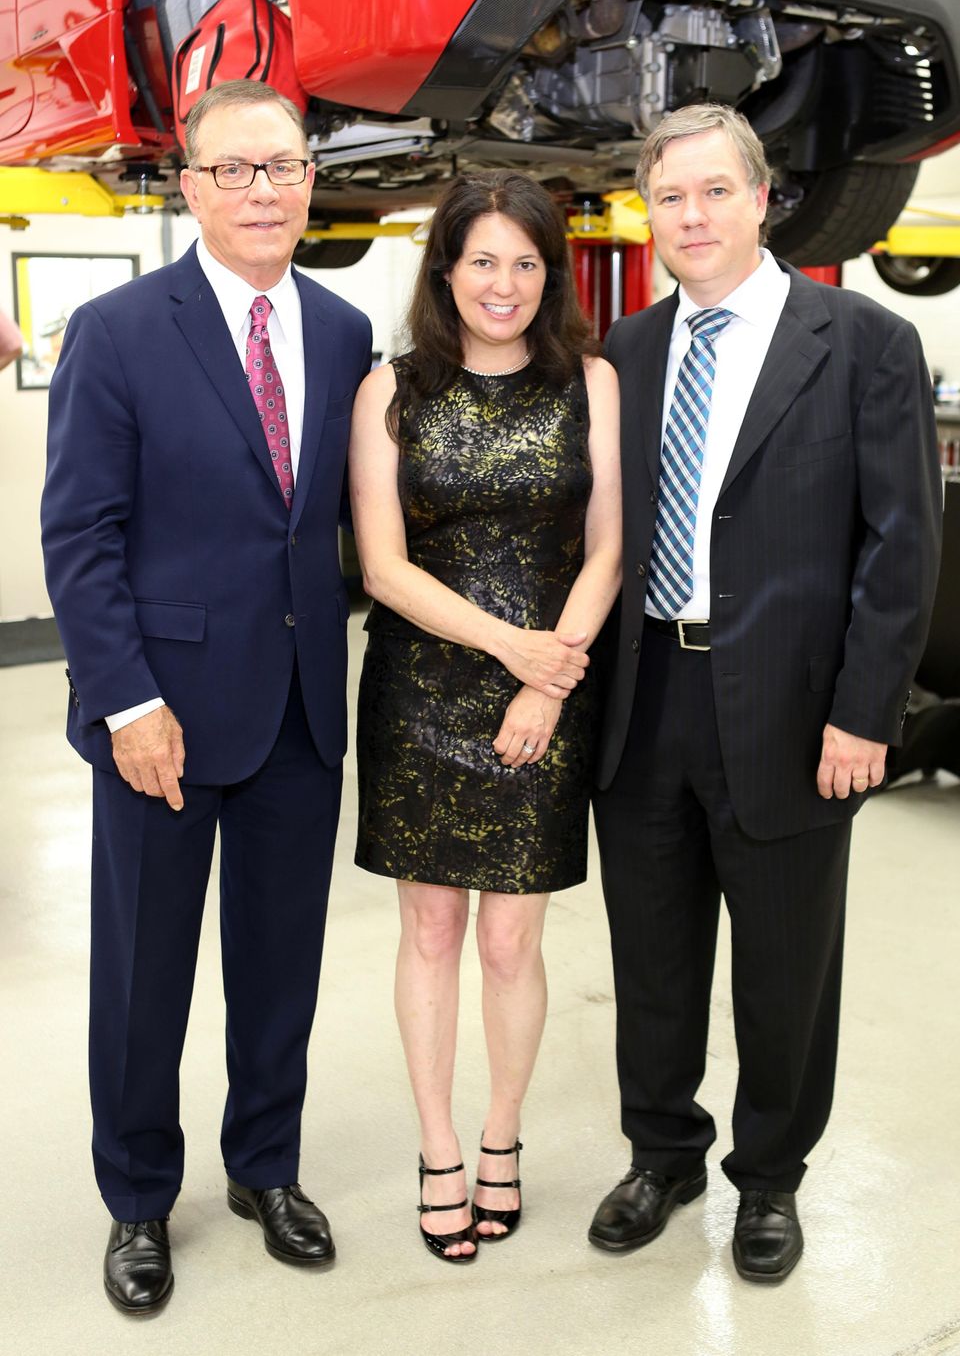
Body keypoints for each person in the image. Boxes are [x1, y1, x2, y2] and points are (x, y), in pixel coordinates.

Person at [588, 103, 942, 1282]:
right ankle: (661, 1149)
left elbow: (899, 546)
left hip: (795, 714)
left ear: (760, 197)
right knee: (649, 952)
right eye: (668, 197)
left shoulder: (860, 340)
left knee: (785, 963)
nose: (688, 217)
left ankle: (770, 1176)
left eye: (710, 192)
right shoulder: (627, 351)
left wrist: (864, 710)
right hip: (643, 699)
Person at [40, 80, 373, 1314]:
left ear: (308, 181)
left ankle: (265, 1167)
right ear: (189, 188)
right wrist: (126, 702)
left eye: (282, 168)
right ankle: (137, 1196)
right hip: (162, 717)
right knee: (144, 972)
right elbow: (79, 532)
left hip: (295, 706)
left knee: (279, 961)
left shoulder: (341, 334)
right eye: (234, 171)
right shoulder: (119, 329)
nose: (263, 192)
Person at [349, 170, 621, 1262]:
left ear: (547, 275)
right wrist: (517, 651)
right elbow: (381, 565)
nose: (501, 284)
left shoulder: (589, 383)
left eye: (524, 263)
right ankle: (437, 1148)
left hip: (547, 693)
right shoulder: (390, 389)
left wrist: (546, 681)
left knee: (512, 936)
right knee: (430, 929)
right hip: (424, 689)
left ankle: (501, 1135)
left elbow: (604, 546)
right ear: (445, 270)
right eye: (481, 261)